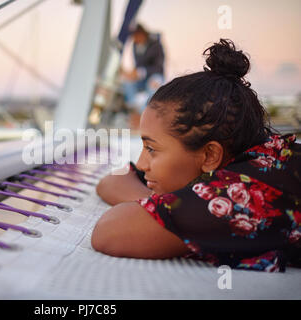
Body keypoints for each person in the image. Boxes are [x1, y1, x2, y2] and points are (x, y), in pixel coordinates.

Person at [93, 39, 300, 272]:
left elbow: (110, 231)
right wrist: (163, 204)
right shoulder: (257, 157)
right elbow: (111, 181)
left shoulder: (241, 194)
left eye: (151, 149)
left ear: (210, 155)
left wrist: (163, 207)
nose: (141, 163)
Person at [121, 24, 165, 117]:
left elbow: (158, 67)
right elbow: (138, 64)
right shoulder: (135, 45)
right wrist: (132, 73)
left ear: (142, 34)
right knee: (127, 82)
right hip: (141, 78)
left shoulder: (156, 45)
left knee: (154, 85)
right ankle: (135, 109)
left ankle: (151, 113)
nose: (134, 39)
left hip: (155, 75)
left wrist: (141, 72)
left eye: (135, 36)